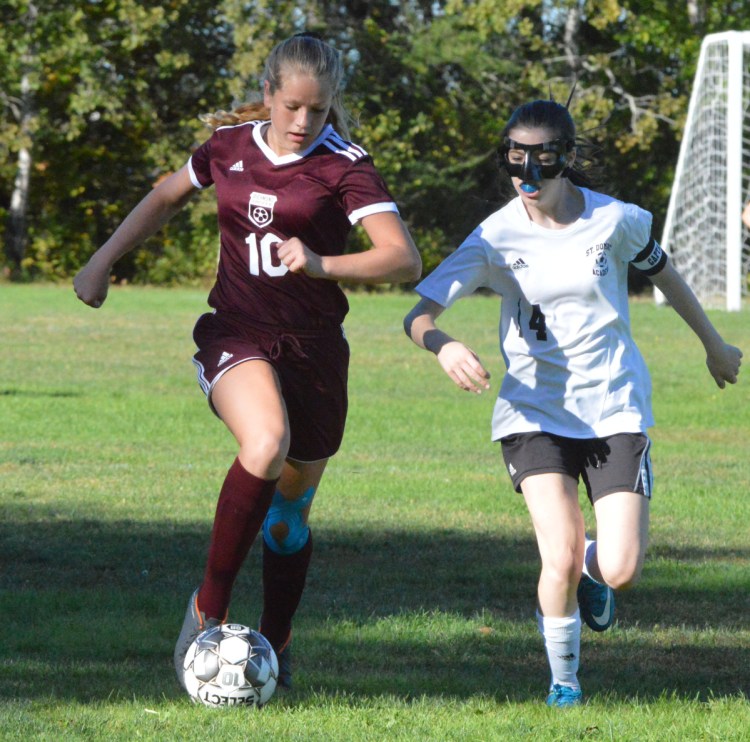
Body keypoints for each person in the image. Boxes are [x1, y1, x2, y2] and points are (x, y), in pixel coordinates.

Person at [74, 32, 422, 692]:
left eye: (316, 111)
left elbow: (402, 257)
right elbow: (165, 196)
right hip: (237, 332)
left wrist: (324, 264)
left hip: (315, 353)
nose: (301, 122)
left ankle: (276, 642)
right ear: (267, 92)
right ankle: (209, 609)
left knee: (288, 523)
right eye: (291, 105)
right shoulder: (229, 149)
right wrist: (102, 261)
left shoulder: (345, 164)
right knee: (265, 443)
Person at [403, 98, 742, 707]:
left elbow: (664, 276)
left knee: (621, 569)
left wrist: (714, 346)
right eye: (516, 162)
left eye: (543, 162)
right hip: (533, 415)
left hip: (614, 408)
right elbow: (418, 314)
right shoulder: (495, 235)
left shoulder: (618, 221)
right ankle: (564, 682)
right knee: (553, 552)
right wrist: (443, 344)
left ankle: (594, 567)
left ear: (567, 160)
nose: (528, 179)